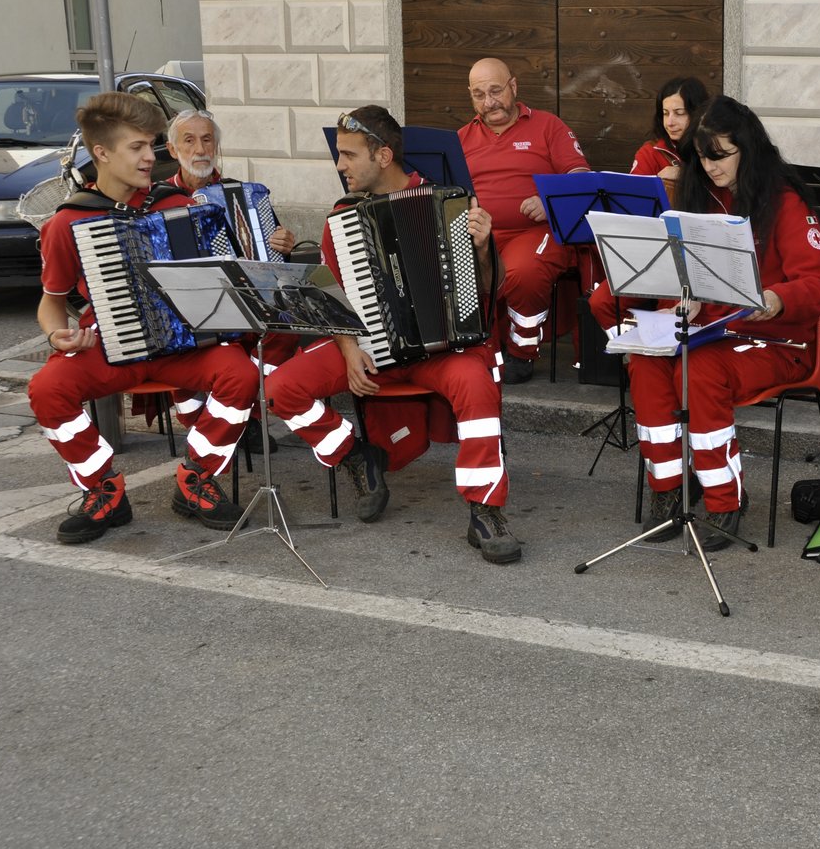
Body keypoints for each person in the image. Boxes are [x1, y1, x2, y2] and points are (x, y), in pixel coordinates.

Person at [263, 106, 521, 562]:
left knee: (477, 386)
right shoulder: (341, 217)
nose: (339, 165)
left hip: (441, 348)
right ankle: (355, 456)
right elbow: (334, 294)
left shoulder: (449, 202)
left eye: (348, 155)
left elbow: (488, 292)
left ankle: (486, 509)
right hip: (369, 347)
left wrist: (483, 250)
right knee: (281, 387)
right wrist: (347, 348)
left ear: (383, 155)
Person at [588, 96, 820, 549]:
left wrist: (778, 297)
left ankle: (725, 500)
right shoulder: (699, 194)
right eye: (702, 157)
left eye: (720, 155)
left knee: (697, 372)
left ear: (748, 148)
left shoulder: (783, 200)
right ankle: (670, 489)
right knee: (645, 360)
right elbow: (683, 273)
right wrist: (682, 303)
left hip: (778, 342)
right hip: (714, 333)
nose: (709, 166)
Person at [28, 92, 254, 544]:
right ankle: (103, 488)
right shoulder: (68, 222)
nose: (151, 157)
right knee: (47, 389)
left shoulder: (173, 205)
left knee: (241, 375)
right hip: (111, 345)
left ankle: (196, 478)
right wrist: (58, 336)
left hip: (183, 346)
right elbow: (51, 300)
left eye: (151, 146)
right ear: (102, 153)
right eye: (138, 148)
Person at [165, 108, 298, 454]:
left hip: (243, 299)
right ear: (172, 149)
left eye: (207, 139)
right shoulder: (159, 200)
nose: (200, 149)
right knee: (183, 340)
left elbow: (272, 253)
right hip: (185, 306)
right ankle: (209, 423)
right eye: (189, 140)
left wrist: (283, 241)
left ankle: (243, 414)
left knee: (286, 328)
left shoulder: (243, 194)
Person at [457, 57, 591, 384]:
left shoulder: (548, 126)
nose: (489, 103)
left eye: (496, 91)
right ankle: (476, 349)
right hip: (479, 233)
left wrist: (550, 201)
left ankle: (521, 352)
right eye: (479, 95)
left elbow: (580, 176)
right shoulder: (460, 138)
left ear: (513, 87)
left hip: (535, 231)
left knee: (523, 272)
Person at [629, 75, 711, 189]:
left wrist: (685, 175)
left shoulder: (714, 147)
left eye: (679, 113)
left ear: (698, 114)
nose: (669, 122)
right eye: (665, 113)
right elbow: (634, 195)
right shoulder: (650, 153)